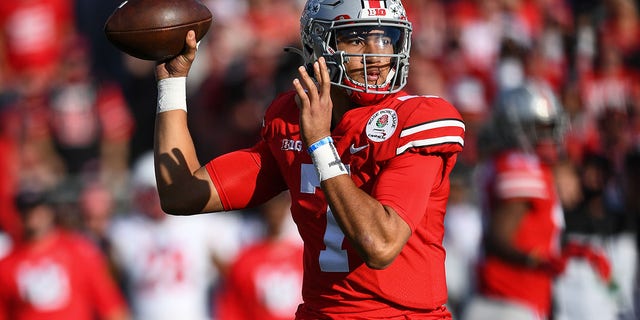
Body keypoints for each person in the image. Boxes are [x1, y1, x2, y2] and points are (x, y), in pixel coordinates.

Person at [152, 0, 465, 318]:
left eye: (386, 38)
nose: (378, 53)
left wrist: (320, 144)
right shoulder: (293, 117)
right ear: (320, 46)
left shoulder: (416, 118)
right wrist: (171, 83)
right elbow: (182, 193)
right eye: (357, 38)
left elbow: (380, 245)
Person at [463, 80, 568, 320]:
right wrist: (540, 259)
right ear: (515, 127)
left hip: (507, 299)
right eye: (541, 128)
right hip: (509, 301)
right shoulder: (522, 167)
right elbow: (500, 237)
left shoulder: (506, 162)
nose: (550, 136)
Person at [108, 151, 243, 320]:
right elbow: (106, 286)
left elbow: (234, 277)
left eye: (160, 190)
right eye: (149, 192)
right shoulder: (123, 231)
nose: (155, 199)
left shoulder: (202, 224)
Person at [0, 188, 130, 320]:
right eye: (26, 212)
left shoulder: (79, 252)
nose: (33, 217)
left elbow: (111, 306)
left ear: (49, 211)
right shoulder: (7, 264)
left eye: (38, 210)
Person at [215, 191, 304, 320]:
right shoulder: (246, 260)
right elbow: (233, 307)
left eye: (279, 205)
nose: (275, 212)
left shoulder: (305, 258)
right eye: (271, 206)